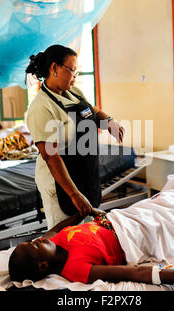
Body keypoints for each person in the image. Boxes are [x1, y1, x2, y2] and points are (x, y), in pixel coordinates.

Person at [8, 208, 174, 290]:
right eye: (34, 245)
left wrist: (85, 209)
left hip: (121, 216)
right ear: (43, 265)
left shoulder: (53, 241)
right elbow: (136, 273)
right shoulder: (77, 269)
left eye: (32, 240)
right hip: (136, 234)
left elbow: (59, 226)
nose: (38, 239)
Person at [25, 45, 124, 228]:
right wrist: (74, 194)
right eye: (72, 70)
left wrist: (109, 121)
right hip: (60, 184)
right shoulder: (41, 108)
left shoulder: (75, 93)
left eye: (76, 71)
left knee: (88, 232)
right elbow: (50, 156)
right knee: (67, 236)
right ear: (55, 68)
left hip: (84, 173)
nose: (75, 76)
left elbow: (94, 112)